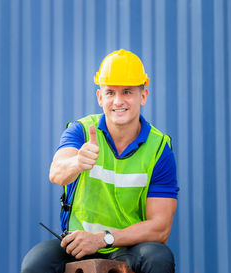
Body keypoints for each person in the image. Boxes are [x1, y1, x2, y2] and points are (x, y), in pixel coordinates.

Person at [21, 49, 179, 273]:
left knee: (158, 257)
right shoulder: (81, 131)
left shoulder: (159, 149)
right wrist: (77, 162)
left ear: (143, 96)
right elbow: (56, 173)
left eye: (127, 92)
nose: (118, 101)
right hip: (78, 244)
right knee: (35, 263)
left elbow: (160, 228)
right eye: (110, 92)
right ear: (99, 97)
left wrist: (103, 238)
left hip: (127, 245)